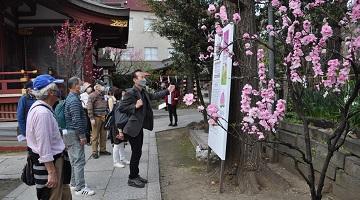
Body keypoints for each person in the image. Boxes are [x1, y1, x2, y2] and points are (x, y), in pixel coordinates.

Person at [119, 69, 175, 188]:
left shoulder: (143, 91)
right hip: (132, 128)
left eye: (144, 77)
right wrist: (135, 106)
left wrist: (167, 91)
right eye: (141, 77)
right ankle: (132, 178)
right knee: (136, 153)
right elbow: (121, 108)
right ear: (135, 80)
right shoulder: (131, 92)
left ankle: (136, 175)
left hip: (139, 127)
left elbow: (154, 96)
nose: (144, 79)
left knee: (138, 152)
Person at [26, 74, 71, 200]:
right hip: (52, 163)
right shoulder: (42, 113)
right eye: (57, 87)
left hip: (54, 160)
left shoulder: (40, 108)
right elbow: (43, 145)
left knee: (63, 194)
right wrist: (51, 172)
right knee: (53, 195)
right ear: (51, 92)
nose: (59, 90)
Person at [64, 77, 95, 196]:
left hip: (70, 132)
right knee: (79, 160)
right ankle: (80, 187)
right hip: (75, 133)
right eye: (81, 84)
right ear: (75, 86)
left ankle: (73, 183)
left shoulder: (71, 98)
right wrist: (82, 136)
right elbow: (76, 119)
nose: (82, 86)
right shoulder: (73, 100)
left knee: (73, 160)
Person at [87, 80, 111, 159]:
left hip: (103, 116)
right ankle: (94, 152)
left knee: (103, 135)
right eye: (102, 85)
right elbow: (89, 107)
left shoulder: (103, 95)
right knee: (95, 135)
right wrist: (91, 118)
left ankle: (102, 150)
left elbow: (106, 105)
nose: (103, 87)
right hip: (96, 117)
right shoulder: (92, 95)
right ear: (97, 87)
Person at [112, 88, 130, 168]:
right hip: (117, 127)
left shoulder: (119, 104)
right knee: (117, 144)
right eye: (123, 94)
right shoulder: (119, 105)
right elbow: (118, 120)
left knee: (121, 143)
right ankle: (116, 161)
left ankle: (123, 158)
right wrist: (120, 131)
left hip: (120, 126)